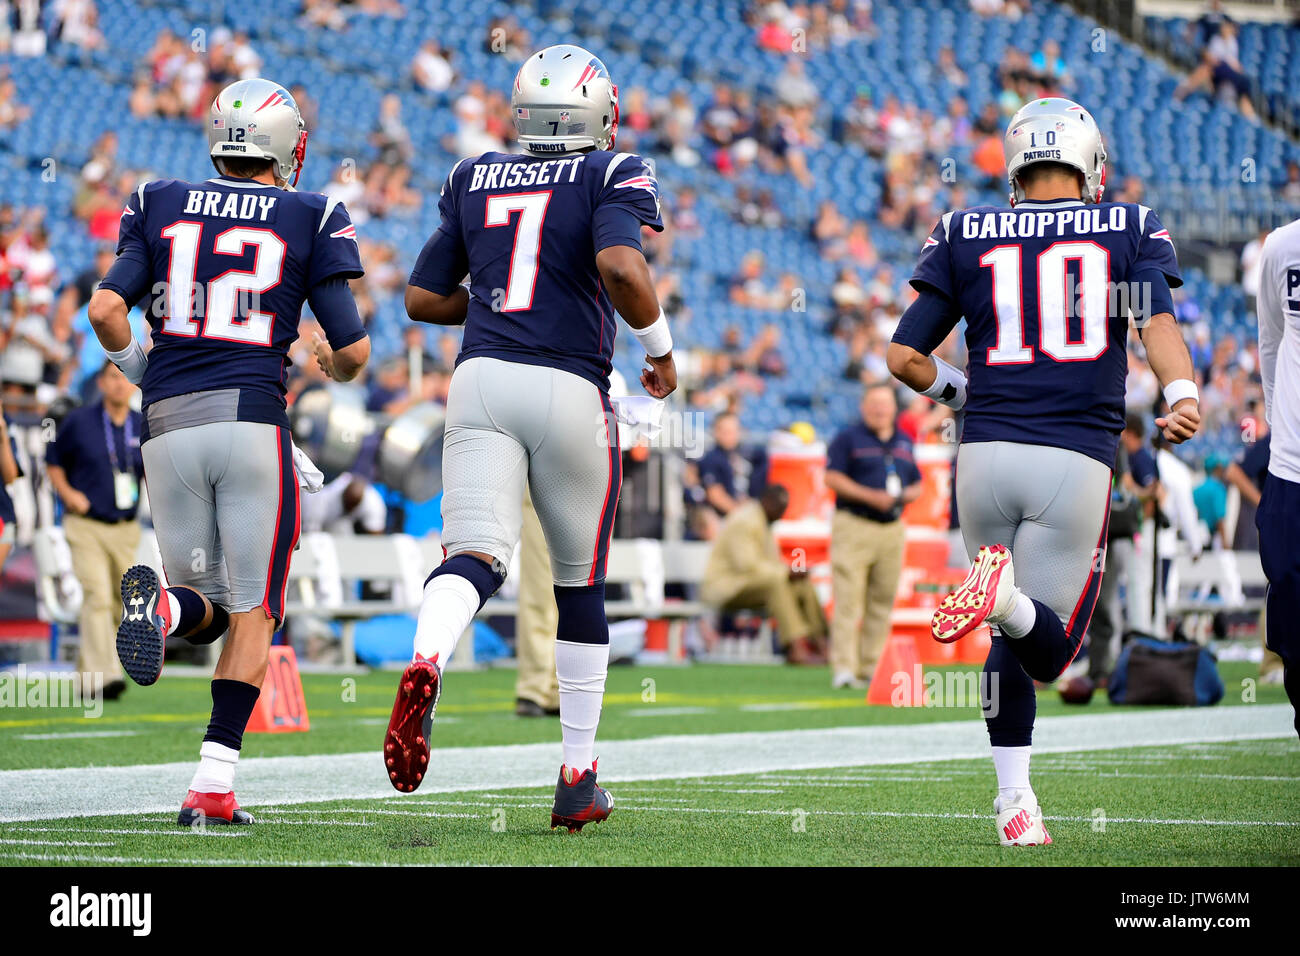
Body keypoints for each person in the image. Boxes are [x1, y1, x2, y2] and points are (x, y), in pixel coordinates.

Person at [887, 97, 1200, 845]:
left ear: (1017, 164)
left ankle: (1014, 805)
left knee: (1003, 637)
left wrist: (963, 395)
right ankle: (1008, 604)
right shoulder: (1125, 225)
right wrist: (1183, 392)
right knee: (1051, 648)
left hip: (984, 456)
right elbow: (1154, 320)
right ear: (1090, 164)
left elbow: (903, 357)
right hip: (1072, 457)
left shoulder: (966, 227)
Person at [387, 45, 675, 832]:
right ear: (600, 115)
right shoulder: (611, 172)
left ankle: (427, 660)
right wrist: (661, 353)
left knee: (474, 553)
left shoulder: (472, 174)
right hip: (567, 387)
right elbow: (621, 265)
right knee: (579, 588)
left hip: (479, 379)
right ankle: (577, 776)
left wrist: (493, 311)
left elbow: (419, 297)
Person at [87, 78, 372, 826]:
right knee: (255, 612)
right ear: (283, 142)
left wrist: (146, 376)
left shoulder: (157, 198)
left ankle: (161, 616)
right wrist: (327, 363)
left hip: (166, 428)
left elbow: (105, 309)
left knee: (207, 609)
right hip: (251, 420)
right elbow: (355, 351)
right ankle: (212, 784)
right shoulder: (313, 212)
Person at [45, 362, 144, 700]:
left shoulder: (140, 424)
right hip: (85, 526)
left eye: (124, 378)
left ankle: (87, 680)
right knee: (97, 596)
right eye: (112, 378)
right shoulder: (78, 420)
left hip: (125, 528)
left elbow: (151, 473)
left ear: (133, 385)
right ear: (101, 383)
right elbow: (52, 459)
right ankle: (106, 677)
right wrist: (69, 494)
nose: (118, 385)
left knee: (119, 604)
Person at [825, 383, 922, 689]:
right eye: (873, 404)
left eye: (884, 404)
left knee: (882, 601)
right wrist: (870, 497)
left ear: (894, 408)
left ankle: (871, 668)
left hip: (892, 528)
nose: (879, 410)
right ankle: (844, 668)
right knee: (848, 601)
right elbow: (832, 477)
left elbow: (917, 484)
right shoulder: (847, 438)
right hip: (855, 524)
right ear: (863, 407)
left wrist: (902, 496)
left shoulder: (905, 442)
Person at [1255, 215, 1300, 737]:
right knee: (1290, 620)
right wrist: (1279, 428)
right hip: (1290, 470)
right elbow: (1271, 341)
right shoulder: (1282, 247)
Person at [701, 484, 828, 664]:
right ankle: (796, 648)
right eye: (780, 508)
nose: (782, 514)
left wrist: (791, 572)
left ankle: (821, 644)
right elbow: (747, 566)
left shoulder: (763, 521)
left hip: (751, 585)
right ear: (767, 502)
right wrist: (786, 572)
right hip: (728, 589)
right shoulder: (745, 521)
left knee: (801, 583)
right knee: (777, 583)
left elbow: (769, 565)